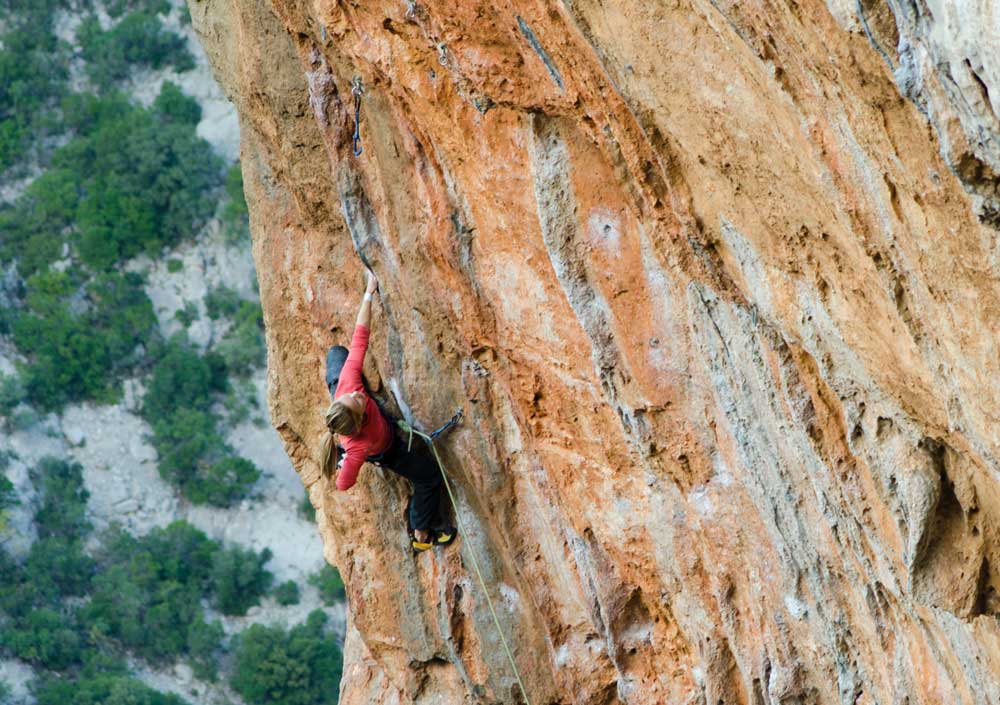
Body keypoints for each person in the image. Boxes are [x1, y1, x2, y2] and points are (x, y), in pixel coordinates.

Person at [319, 272, 457, 553]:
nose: (358, 394)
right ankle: (421, 534)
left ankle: (337, 396)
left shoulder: (349, 385)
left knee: (337, 355)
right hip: (387, 449)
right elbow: (344, 485)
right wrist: (347, 462)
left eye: (353, 396)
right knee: (428, 476)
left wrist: (368, 293)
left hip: (350, 409)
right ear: (358, 420)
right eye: (357, 400)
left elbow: (360, 339)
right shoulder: (358, 445)